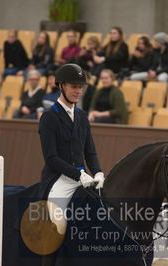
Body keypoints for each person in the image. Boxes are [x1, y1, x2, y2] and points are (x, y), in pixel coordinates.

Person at [38, 63, 104, 234]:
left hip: (83, 178)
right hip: (59, 178)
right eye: (74, 87)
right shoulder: (49, 117)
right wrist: (78, 175)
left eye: (81, 87)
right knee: (56, 225)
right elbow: (51, 158)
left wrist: (98, 172)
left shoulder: (82, 117)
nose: (78, 91)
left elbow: (90, 152)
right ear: (61, 86)